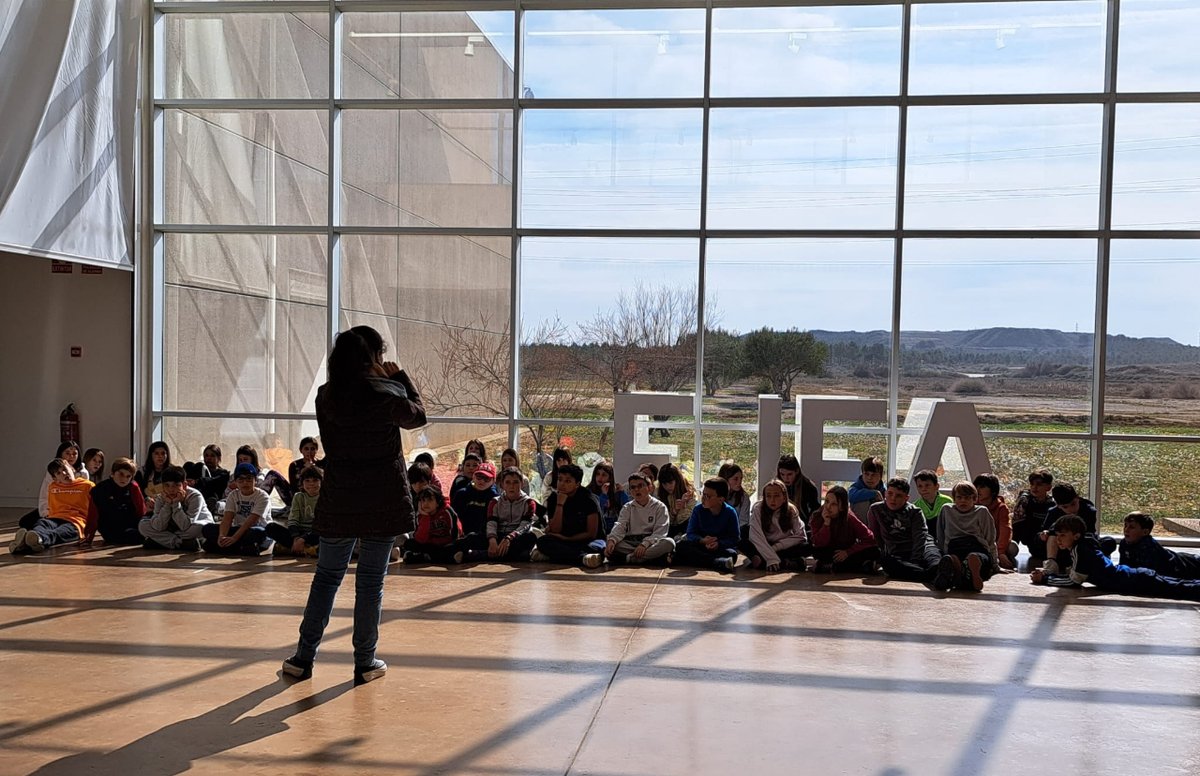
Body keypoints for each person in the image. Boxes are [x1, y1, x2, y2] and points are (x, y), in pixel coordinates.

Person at [282, 325, 425, 686]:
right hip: (382, 497)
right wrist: (401, 378)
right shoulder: (388, 393)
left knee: (326, 577)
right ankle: (364, 661)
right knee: (370, 581)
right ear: (373, 357)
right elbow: (419, 417)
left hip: (340, 495)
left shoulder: (326, 397)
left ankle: (303, 657)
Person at [1030, 515, 1200, 601]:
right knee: (1176, 586)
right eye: (1057, 535)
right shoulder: (1081, 547)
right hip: (1136, 577)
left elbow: (1073, 581)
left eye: (1062, 535)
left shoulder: (1081, 551)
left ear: (1075, 536)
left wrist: (1046, 578)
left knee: (1177, 589)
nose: (1058, 539)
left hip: (1136, 579)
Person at [867, 477, 942, 583]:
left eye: (898, 496)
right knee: (888, 563)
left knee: (934, 559)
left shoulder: (915, 512)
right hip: (898, 552)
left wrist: (915, 561)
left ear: (906, 498)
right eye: (890, 494)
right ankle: (931, 576)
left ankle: (936, 572)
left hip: (922, 548)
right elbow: (875, 536)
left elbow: (920, 537)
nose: (893, 498)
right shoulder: (875, 510)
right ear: (885, 494)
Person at [11, 459, 93, 554]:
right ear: (55, 478)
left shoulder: (87, 486)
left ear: (72, 469)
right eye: (59, 473)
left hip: (76, 522)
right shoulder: (53, 487)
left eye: (65, 469)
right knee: (41, 523)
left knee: (59, 532)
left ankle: (32, 541)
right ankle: (32, 539)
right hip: (55, 518)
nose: (64, 473)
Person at [594, 472, 674, 566]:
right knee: (613, 544)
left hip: (650, 543)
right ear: (630, 491)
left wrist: (644, 544)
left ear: (650, 488)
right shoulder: (627, 507)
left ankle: (630, 558)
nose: (636, 489)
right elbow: (620, 525)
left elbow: (660, 532)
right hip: (630, 543)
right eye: (633, 487)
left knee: (669, 543)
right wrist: (612, 540)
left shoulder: (660, 507)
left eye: (640, 486)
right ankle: (650, 559)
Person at [531, 464, 604, 567]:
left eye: (567, 481)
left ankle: (555, 556)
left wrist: (567, 539)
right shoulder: (553, 498)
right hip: (563, 540)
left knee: (597, 547)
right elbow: (555, 530)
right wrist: (559, 504)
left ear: (577, 484)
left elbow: (591, 533)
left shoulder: (588, 499)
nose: (562, 484)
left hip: (586, 540)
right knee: (543, 542)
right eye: (560, 480)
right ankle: (582, 558)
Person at [934, 482, 999, 592]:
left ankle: (961, 570)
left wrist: (995, 564)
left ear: (975, 499)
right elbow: (940, 533)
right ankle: (963, 570)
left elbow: (990, 538)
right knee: (975, 561)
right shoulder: (946, 510)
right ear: (954, 499)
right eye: (959, 497)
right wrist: (995, 565)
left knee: (976, 559)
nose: (963, 501)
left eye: (967, 498)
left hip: (974, 547)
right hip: (958, 547)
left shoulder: (981, 511)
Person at [1039, 483, 1116, 574]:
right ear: (1059, 506)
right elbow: (1046, 532)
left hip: (1081, 544)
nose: (1071, 509)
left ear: (1077, 498)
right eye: (1065, 507)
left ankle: (1078, 563)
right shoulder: (1053, 512)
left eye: (1073, 504)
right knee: (1051, 535)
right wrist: (1044, 534)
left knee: (1109, 542)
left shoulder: (1088, 510)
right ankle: (1051, 564)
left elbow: (1088, 534)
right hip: (1061, 548)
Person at [202, 463, 273, 556]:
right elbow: (227, 519)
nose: (245, 483)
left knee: (258, 533)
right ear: (235, 482)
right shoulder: (233, 495)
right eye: (241, 480)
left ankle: (228, 547)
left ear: (255, 480)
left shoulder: (263, 496)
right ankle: (241, 548)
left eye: (249, 479)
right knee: (207, 529)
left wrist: (234, 538)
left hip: (254, 529)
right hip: (237, 529)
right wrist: (221, 536)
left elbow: (251, 521)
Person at [672, 477, 740, 572]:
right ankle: (716, 562)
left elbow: (734, 538)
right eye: (703, 494)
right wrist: (702, 540)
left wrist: (718, 544)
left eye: (708, 496)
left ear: (721, 499)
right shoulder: (698, 510)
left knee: (732, 554)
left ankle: (701, 560)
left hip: (718, 547)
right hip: (701, 545)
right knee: (681, 545)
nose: (703, 498)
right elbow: (690, 533)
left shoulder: (730, 512)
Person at [742, 479, 810, 572]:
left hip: (783, 546)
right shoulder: (758, 509)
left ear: (784, 497)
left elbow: (801, 535)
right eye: (768, 496)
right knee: (743, 533)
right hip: (764, 543)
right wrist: (771, 558)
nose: (772, 500)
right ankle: (784, 562)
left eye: (777, 496)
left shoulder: (791, 510)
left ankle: (762, 560)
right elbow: (755, 536)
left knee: (807, 546)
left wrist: (775, 548)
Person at [139, 465, 212, 551]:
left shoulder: (195, 496)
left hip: (190, 527)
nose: (171, 489)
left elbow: (185, 526)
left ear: (184, 485)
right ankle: (180, 543)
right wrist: (167, 504)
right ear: (162, 486)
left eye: (176, 485)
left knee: (201, 528)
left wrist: (176, 504)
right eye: (167, 485)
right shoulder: (161, 497)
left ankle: (162, 542)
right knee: (143, 525)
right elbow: (158, 526)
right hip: (173, 529)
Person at [809, 485, 880, 574]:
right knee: (815, 550)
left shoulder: (849, 518)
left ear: (842, 507)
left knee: (875, 551)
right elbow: (818, 542)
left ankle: (832, 567)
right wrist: (826, 524)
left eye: (834, 504)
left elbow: (870, 538)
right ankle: (860, 567)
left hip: (845, 551)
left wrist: (848, 552)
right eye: (827, 501)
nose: (828, 506)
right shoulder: (817, 516)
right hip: (828, 551)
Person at [20, 441, 85, 529]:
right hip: (54, 506)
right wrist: (46, 512)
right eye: (67, 453)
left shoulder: (83, 473)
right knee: (25, 522)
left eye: (74, 453)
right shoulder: (52, 471)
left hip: (73, 510)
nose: (71, 456)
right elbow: (45, 494)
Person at [1118, 512, 1200, 579]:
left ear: (1145, 532)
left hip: (1184, 565)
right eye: (1125, 525)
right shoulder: (1124, 544)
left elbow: (1154, 576)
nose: (1126, 529)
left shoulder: (1148, 548)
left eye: (1131, 527)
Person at [85, 457, 145, 546]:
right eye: (121, 474)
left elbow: (141, 510)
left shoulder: (133, 487)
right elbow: (93, 515)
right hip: (111, 529)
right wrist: (88, 537)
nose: (124, 479)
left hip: (132, 525)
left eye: (128, 476)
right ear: (113, 473)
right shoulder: (100, 490)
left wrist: (144, 527)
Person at [483, 467, 538, 562]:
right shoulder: (495, 502)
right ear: (502, 485)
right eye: (508, 482)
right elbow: (491, 523)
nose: (512, 486)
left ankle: (480, 554)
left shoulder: (528, 502)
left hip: (516, 537)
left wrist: (509, 538)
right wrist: (492, 540)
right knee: (473, 537)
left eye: (516, 482)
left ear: (522, 483)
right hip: (498, 535)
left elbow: (525, 526)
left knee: (530, 538)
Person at [266, 466, 322, 557]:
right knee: (270, 527)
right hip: (299, 532)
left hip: (315, 532)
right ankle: (308, 549)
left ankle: (290, 548)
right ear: (302, 483)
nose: (311, 484)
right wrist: (296, 538)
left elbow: (322, 525)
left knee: (327, 535)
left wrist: (303, 539)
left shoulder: (325, 498)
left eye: (315, 480)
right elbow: (293, 520)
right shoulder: (298, 496)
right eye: (307, 481)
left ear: (321, 482)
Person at [402, 488, 464, 565]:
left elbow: (455, 535)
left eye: (429, 500)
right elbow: (420, 539)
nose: (425, 504)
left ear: (437, 502)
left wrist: (437, 542)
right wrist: (425, 517)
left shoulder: (447, 511)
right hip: (429, 544)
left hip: (445, 543)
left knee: (455, 547)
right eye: (423, 500)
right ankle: (431, 557)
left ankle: (423, 557)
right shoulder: (420, 514)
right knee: (409, 544)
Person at [452, 460, 499, 555]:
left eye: (486, 478)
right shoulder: (461, 494)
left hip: (483, 537)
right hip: (461, 535)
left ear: (493, 481)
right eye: (479, 477)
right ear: (473, 476)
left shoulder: (495, 499)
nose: (481, 481)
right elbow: (454, 517)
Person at [1011, 469, 1055, 564]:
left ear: (1048, 487)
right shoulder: (1025, 500)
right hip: (1029, 537)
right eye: (1032, 484)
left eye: (1039, 484)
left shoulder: (1052, 503)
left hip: (1044, 537)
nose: (1034, 487)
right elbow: (1017, 524)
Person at [973, 472, 1016, 570]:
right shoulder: (972, 504)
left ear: (993, 490)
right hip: (977, 541)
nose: (978, 490)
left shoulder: (1001, 508)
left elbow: (1005, 530)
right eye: (976, 486)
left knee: (1013, 548)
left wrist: (1000, 552)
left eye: (982, 487)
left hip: (995, 543)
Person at [776, 454, 820, 525]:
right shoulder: (776, 486)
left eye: (789, 474)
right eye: (782, 474)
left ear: (796, 471)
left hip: (802, 525)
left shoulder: (808, 487)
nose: (785, 478)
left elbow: (815, 509)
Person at [587, 461, 629, 534]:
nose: (600, 477)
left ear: (610, 478)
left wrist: (622, 493)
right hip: (596, 529)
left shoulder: (616, 492)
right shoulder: (589, 491)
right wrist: (603, 495)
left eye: (604, 475)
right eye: (597, 474)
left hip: (614, 529)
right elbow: (596, 510)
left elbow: (627, 508)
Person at [656, 462, 695, 538]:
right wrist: (674, 511)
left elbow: (682, 520)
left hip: (685, 528)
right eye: (664, 484)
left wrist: (683, 505)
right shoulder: (661, 493)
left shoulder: (690, 493)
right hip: (668, 529)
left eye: (670, 483)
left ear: (677, 480)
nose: (668, 487)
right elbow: (664, 522)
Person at [911, 469, 952, 541]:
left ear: (937, 486)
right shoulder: (916, 506)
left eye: (927, 485)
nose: (924, 489)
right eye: (920, 486)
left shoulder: (947, 501)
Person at [135, 441, 172, 514]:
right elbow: (138, 492)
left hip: (167, 509)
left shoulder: (173, 472)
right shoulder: (142, 472)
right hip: (148, 509)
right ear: (151, 455)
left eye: (163, 453)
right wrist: (146, 499)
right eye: (156, 453)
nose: (160, 456)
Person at [717, 462, 752, 539]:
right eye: (735, 479)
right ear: (725, 479)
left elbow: (743, 522)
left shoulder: (744, 497)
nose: (739, 482)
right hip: (716, 532)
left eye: (741, 478)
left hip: (736, 533)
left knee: (746, 530)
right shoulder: (715, 495)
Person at [197, 444, 231, 516]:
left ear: (218, 458)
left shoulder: (223, 474)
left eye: (212, 456)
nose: (209, 458)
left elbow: (214, 483)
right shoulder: (200, 471)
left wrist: (200, 481)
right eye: (206, 456)